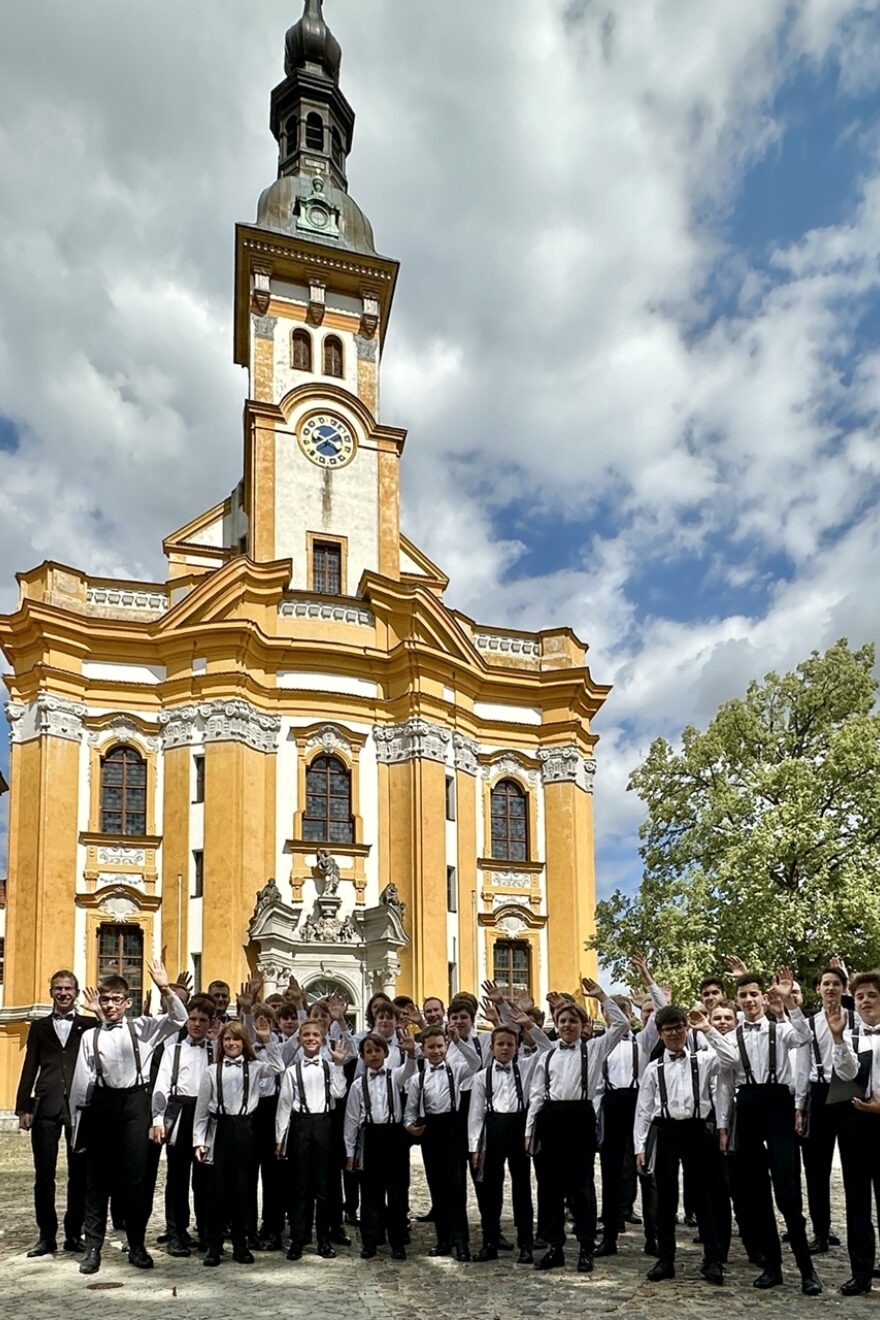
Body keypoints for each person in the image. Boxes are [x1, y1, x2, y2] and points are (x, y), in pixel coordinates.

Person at [69, 959, 188, 1275]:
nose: (109, 1006)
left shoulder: (142, 1027)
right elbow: (81, 1087)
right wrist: (77, 1131)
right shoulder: (90, 1037)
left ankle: (137, 1245)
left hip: (137, 1104)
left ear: (127, 1002)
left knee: (135, 1180)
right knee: (97, 1180)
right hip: (103, 1104)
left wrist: (164, 987)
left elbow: (180, 1018)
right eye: (105, 1000)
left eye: (115, 1000)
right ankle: (93, 1248)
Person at [708, 967, 822, 1295]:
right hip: (747, 1109)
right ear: (738, 1000)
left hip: (777, 1106)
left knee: (787, 1191)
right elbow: (725, 1085)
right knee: (756, 1193)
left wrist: (789, 1004)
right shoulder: (730, 1038)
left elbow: (805, 1036)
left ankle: (806, 1269)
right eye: (742, 995)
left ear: (762, 997)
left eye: (753, 994)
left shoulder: (781, 1028)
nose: (748, 1000)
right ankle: (773, 1266)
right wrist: (723, 1126)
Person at [525, 978, 628, 1273]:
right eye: (563, 1020)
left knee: (581, 1187)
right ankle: (555, 1246)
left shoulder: (594, 1049)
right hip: (551, 1118)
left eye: (573, 1020)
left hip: (580, 1118)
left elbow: (621, 1025)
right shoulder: (546, 1055)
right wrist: (529, 1130)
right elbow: (537, 1094)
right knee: (550, 1187)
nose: (567, 1025)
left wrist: (601, 996)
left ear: (583, 1024)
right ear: (556, 1025)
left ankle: (585, 1247)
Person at [634, 1005, 729, 1285]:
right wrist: (640, 1146)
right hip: (666, 1131)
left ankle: (712, 1260)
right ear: (660, 1034)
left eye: (679, 1027)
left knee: (704, 1197)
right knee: (665, 1198)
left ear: (687, 1029)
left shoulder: (704, 1059)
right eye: (668, 1029)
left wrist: (708, 1029)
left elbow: (731, 1058)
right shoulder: (654, 1069)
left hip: (698, 1130)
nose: (674, 1033)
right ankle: (666, 1259)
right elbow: (643, 1109)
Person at [16, 970, 93, 1258]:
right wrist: (24, 1106)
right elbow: (29, 1066)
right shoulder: (39, 1027)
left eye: (68, 988)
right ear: (51, 992)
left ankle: (75, 1233)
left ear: (76, 992)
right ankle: (46, 1236)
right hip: (45, 1105)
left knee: (80, 1173)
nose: (63, 993)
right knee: (44, 1175)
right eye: (58, 988)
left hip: (79, 1107)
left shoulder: (88, 1024)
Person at [595, 954, 665, 1259]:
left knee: (647, 1173)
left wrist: (648, 978)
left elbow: (662, 1010)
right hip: (613, 1104)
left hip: (639, 1104)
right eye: (607, 1014)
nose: (611, 1019)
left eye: (616, 1013)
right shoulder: (602, 1046)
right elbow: (597, 1087)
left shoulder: (643, 1041)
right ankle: (609, 1236)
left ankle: (654, 1236)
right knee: (611, 1174)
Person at [467, 1015, 549, 1263]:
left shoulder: (525, 1067)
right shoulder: (482, 1077)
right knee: (491, 1190)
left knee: (522, 1189)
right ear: (491, 1047)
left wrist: (528, 1026)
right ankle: (490, 1242)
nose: (505, 1048)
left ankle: (525, 1243)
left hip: (517, 1131)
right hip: (492, 1132)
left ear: (517, 1048)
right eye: (500, 1044)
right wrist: (474, 1147)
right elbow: (475, 1113)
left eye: (510, 1045)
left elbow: (546, 1048)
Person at [275, 1020, 348, 1261]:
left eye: (316, 1034)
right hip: (300, 1126)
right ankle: (298, 1238)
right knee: (299, 1186)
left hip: (325, 1125)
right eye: (306, 1034)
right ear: (299, 1040)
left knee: (324, 1187)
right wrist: (280, 1137)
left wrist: (338, 1065)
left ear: (323, 1039)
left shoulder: (330, 1066)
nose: (311, 1038)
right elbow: (284, 1105)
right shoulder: (292, 1071)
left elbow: (338, 1093)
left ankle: (324, 1239)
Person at [404, 1024, 479, 1260]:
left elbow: (476, 1063)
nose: (436, 1051)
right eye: (431, 1047)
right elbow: (410, 1109)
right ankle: (443, 1240)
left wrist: (459, 1041)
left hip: (453, 1130)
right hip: (431, 1131)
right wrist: (410, 1126)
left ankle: (461, 1242)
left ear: (445, 1047)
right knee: (437, 1187)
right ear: (423, 1050)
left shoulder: (456, 1070)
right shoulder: (418, 1079)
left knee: (456, 1188)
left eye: (439, 1046)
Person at [150, 994, 216, 1255]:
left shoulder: (215, 1049)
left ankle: (205, 1230)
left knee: (205, 1178)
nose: (197, 1024)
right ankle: (176, 1232)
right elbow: (162, 1085)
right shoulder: (173, 1050)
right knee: (177, 1177)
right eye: (193, 1019)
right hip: (180, 1112)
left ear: (211, 1023)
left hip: (207, 1115)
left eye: (202, 1019)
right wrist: (158, 1119)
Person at [344, 1029, 417, 1259]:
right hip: (370, 1137)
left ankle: (397, 1241)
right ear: (363, 1056)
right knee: (370, 1193)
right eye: (368, 1051)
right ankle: (370, 1241)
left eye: (377, 1050)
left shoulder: (395, 1076)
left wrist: (412, 1053)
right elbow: (352, 1120)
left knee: (396, 1192)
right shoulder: (357, 1085)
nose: (373, 1055)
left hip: (393, 1136)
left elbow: (410, 1071)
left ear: (386, 1053)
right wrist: (350, 1152)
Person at [830, 970, 880, 1296]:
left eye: (872, 995)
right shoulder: (852, 1036)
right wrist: (837, 1038)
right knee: (857, 1201)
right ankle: (860, 1273)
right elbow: (846, 1072)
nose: (865, 1001)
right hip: (857, 1126)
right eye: (860, 996)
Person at [796, 965, 850, 1252]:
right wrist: (800, 1106)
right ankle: (820, 1231)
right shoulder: (809, 1024)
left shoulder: (854, 1019)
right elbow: (802, 1068)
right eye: (825, 984)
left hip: (850, 1093)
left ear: (843, 987)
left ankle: (859, 1234)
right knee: (816, 1169)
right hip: (818, 1093)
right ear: (817, 989)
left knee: (856, 1168)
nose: (830, 988)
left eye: (835, 984)